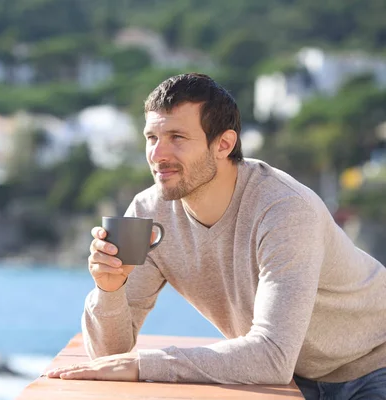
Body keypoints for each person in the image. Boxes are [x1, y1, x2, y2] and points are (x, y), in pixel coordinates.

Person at [46, 73, 386, 399]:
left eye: (177, 138)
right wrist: (109, 289)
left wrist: (147, 364)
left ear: (223, 144)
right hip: (293, 380)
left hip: (373, 363)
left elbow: (272, 356)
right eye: (152, 138)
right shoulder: (149, 212)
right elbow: (109, 354)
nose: (157, 154)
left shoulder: (284, 209)